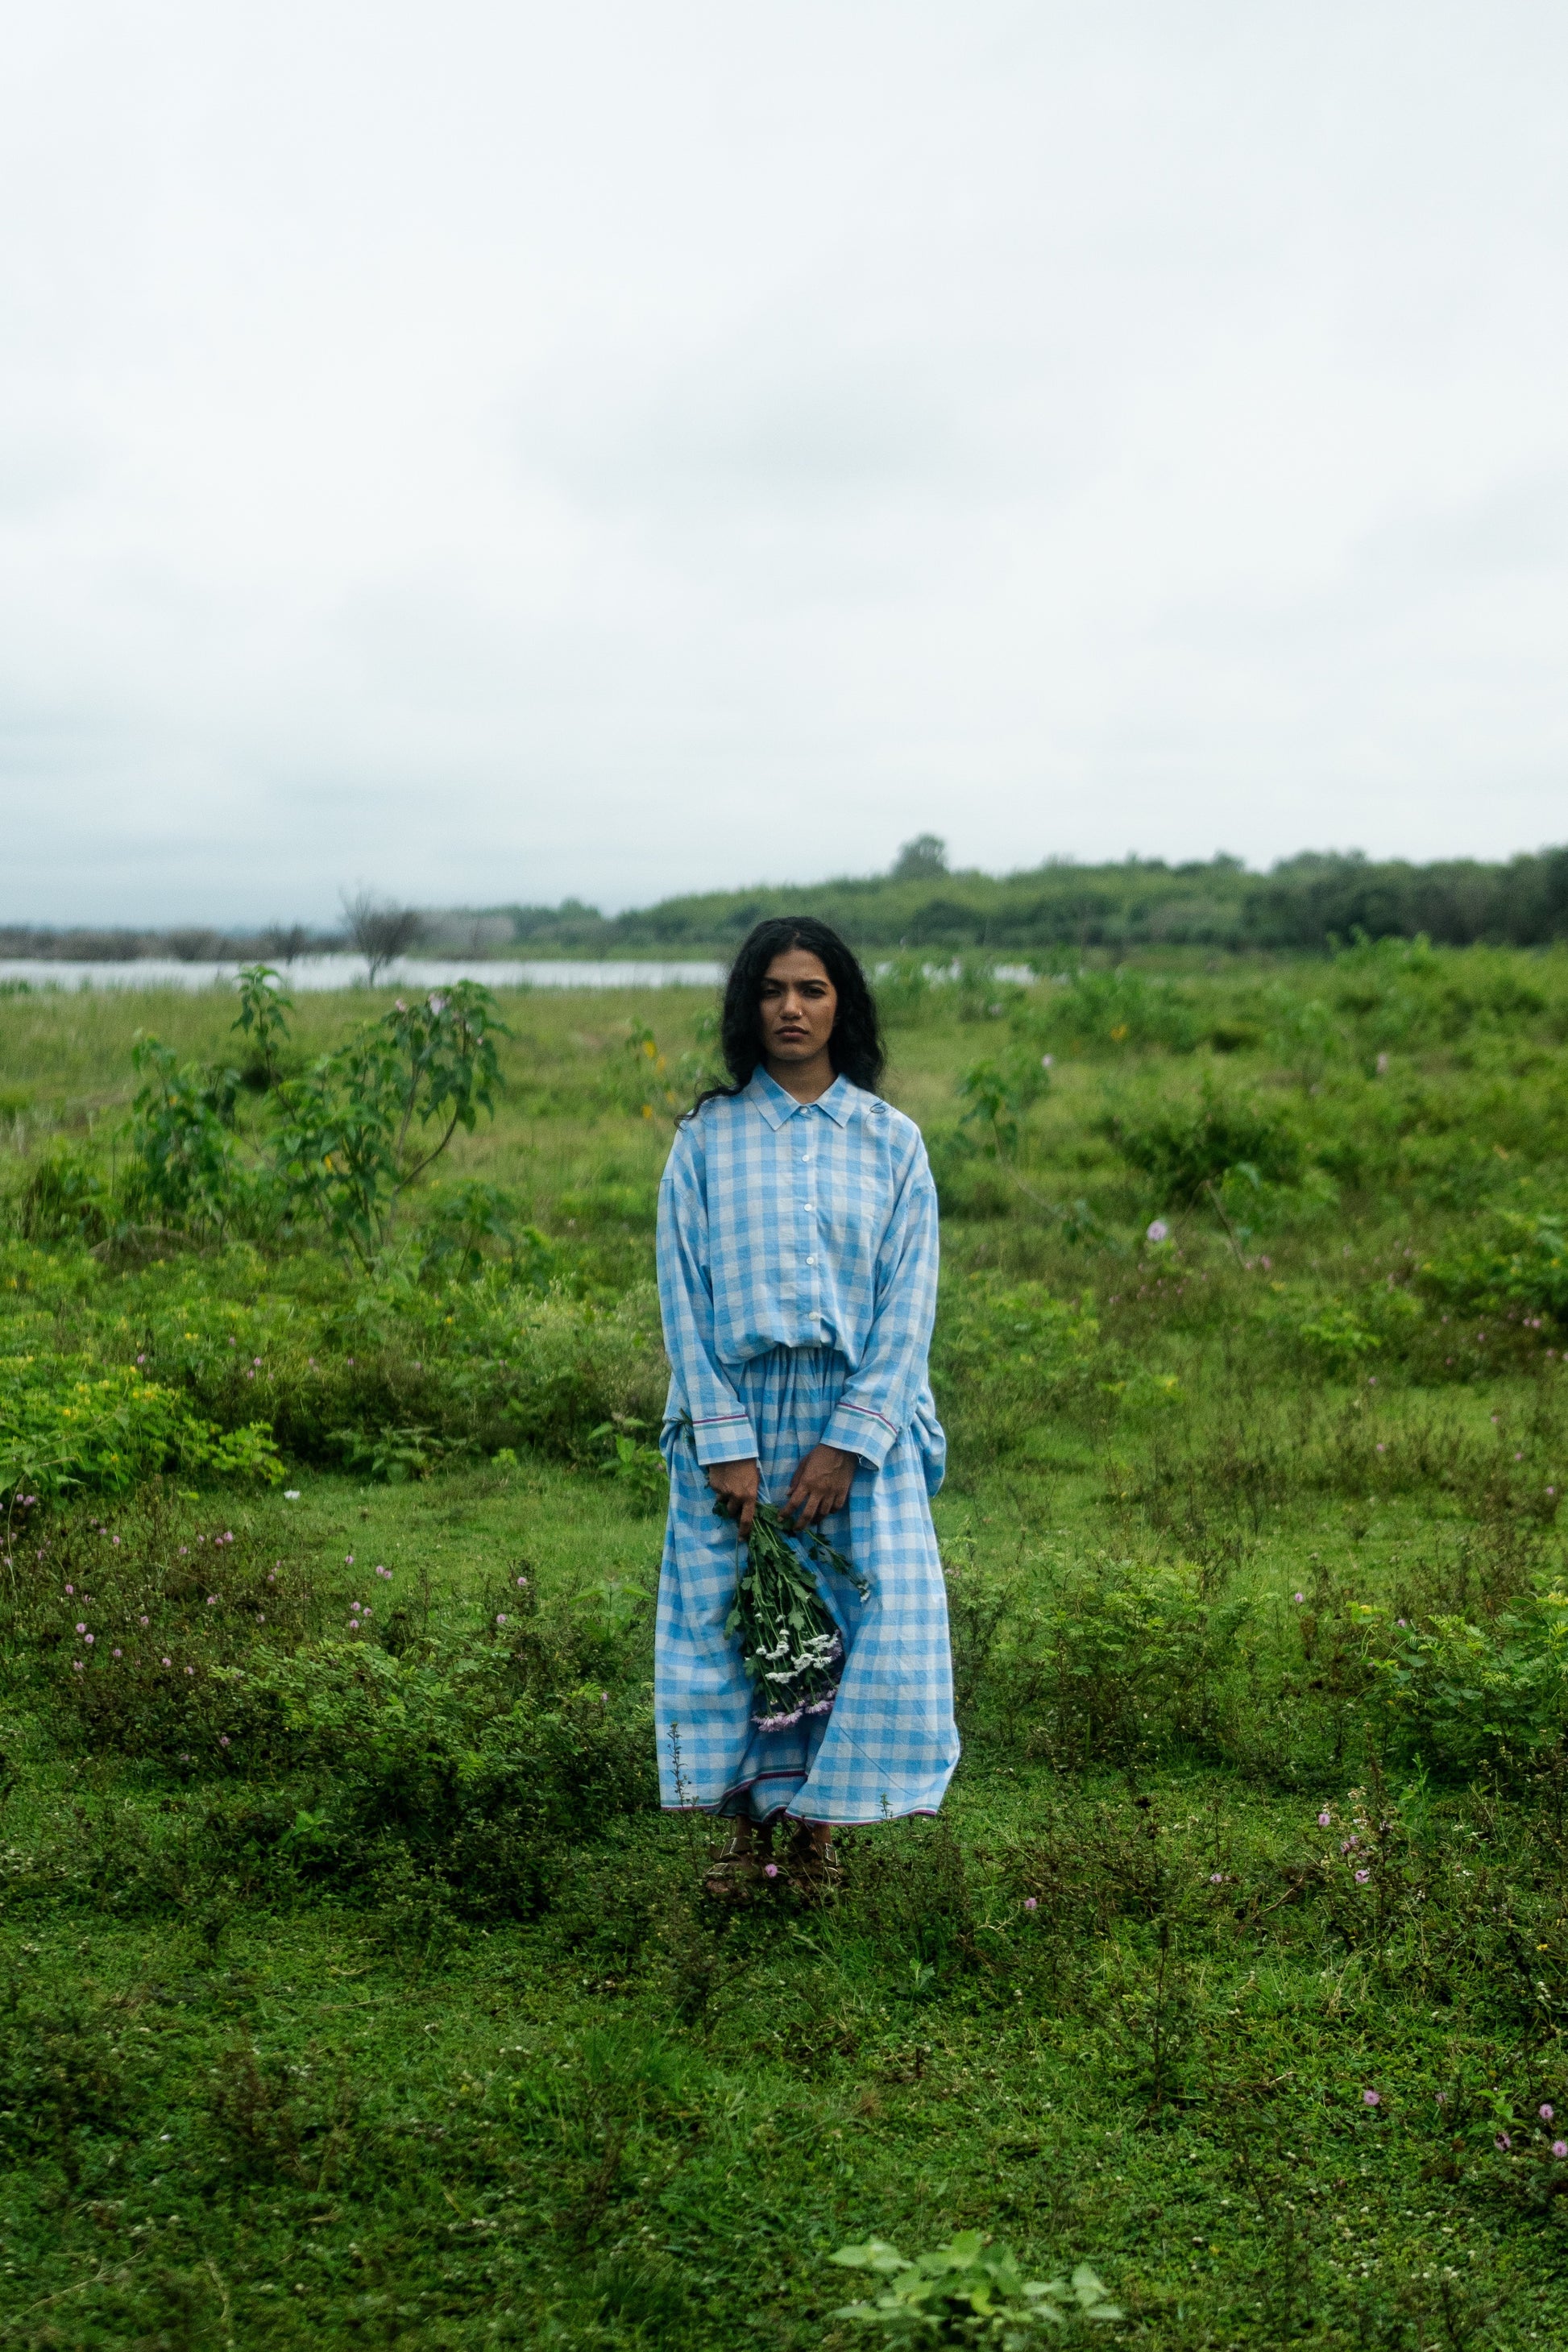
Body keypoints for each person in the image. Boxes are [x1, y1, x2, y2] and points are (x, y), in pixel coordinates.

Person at [653, 915, 959, 1898]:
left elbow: (908, 1305)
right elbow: (682, 1294)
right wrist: (723, 1445)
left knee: (862, 1622)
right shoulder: (704, 1141)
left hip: (854, 1422)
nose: (791, 1008)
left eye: (813, 990)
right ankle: (748, 1842)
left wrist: (850, 1445)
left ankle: (820, 1836)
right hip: (735, 1419)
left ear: (842, 1006)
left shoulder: (891, 1143)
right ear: (749, 1006)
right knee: (740, 1628)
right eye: (773, 990)